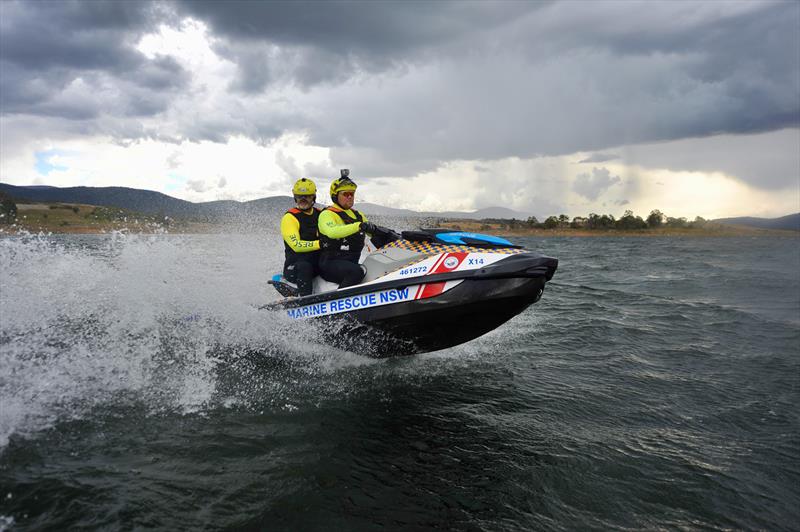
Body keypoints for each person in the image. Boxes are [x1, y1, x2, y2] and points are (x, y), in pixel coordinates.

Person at [318, 169, 378, 288]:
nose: (350, 197)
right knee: (356, 272)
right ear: (336, 196)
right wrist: (359, 226)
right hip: (329, 264)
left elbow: (373, 232)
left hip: (350, 263)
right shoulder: (327, 214)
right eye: (345, 194)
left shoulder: (358, 215)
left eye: (352, 194)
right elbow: (332, 232)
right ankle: (337, 301)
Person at [280, 178, 321, 296]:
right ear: (295, 197)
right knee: (304, 267)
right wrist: (321, 244)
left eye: (307, 196)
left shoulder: (321, 214)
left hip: (317, 264)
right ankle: (304, 299)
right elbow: (296, 245)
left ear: (313, 197)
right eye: (299, 196)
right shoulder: (289, 218)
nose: (303, 199)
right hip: (295, 268)